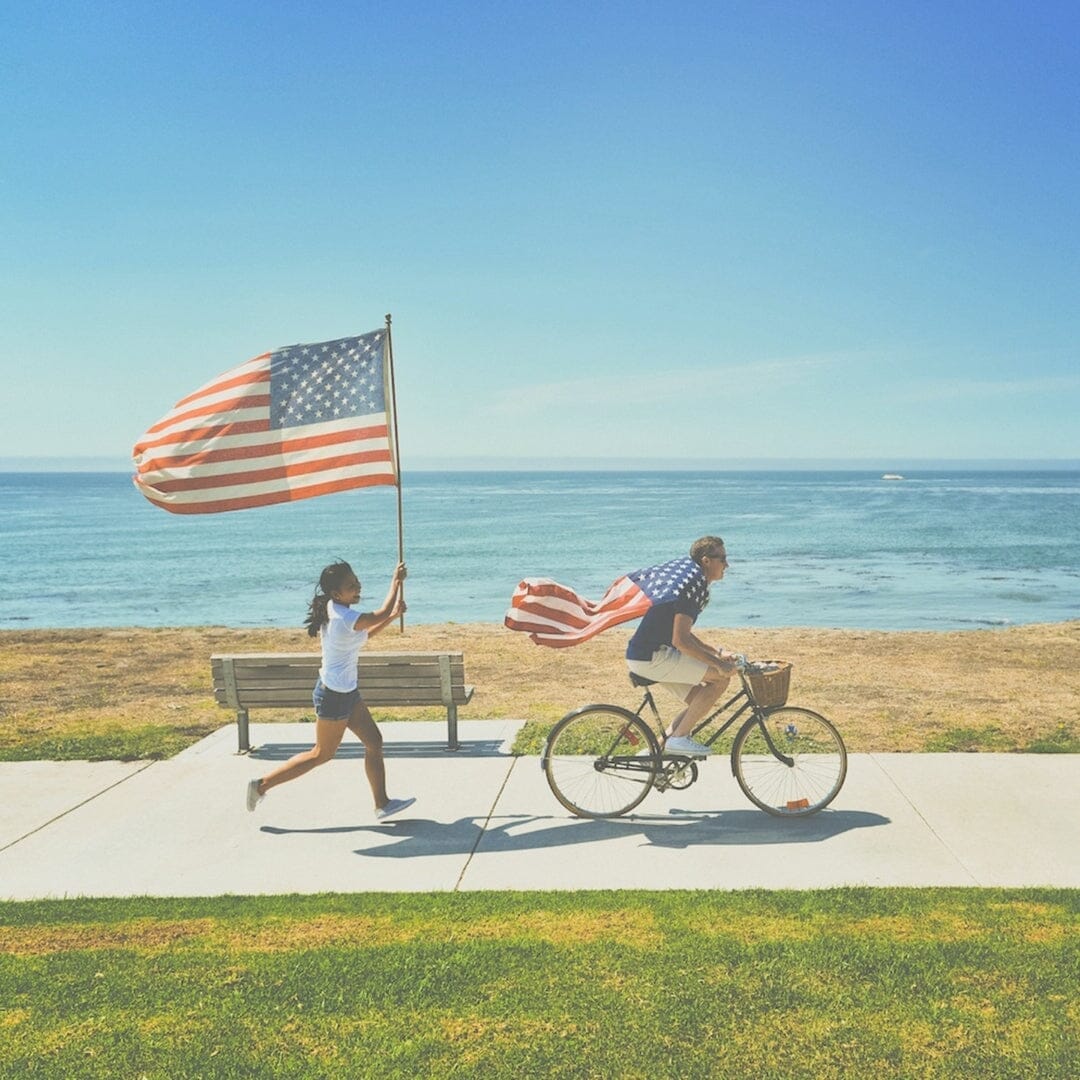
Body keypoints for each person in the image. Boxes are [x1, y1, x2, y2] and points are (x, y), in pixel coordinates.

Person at [246, 559, 415, 819]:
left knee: (374, 742)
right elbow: (378, 614)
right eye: (351, 586)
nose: (357, 587)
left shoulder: (336, 608)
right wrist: (395, 581)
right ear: (336, 593)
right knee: (321, 754)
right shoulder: (343, 616)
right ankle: (261, 785)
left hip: (347, 692)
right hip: (333, 696)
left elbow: (365, 634)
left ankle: (382, 803)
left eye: (357, 582)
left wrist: (393, 617)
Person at [624, 536, 742, 756]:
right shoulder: (692, 587)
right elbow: (681, 642)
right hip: (652, 657)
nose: (727, 564)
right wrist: (719, 664)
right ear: (706, 561)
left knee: (699, 700)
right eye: (722, 558)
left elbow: (684, 636)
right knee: (720, 679)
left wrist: (717, 653)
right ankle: (677, 740)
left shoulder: (692, 581)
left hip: (648, 654)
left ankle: (654, 754)